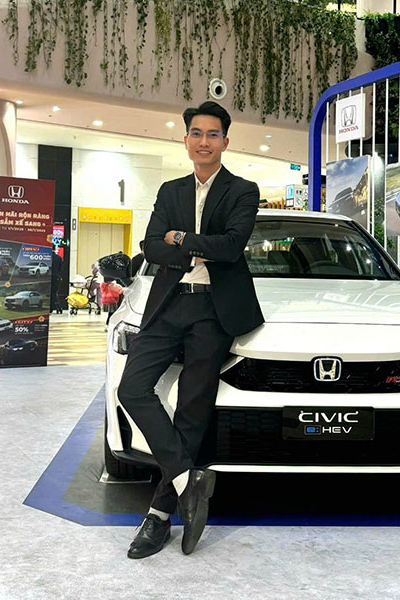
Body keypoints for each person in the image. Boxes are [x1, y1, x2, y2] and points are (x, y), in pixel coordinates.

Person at [117, 101, 263, 559]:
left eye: (212, 134)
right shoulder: (170, 190)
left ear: (225, 141)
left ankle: (158, 515)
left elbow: (231, 246)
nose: (204, 141)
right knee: (132, 388)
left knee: (192, 410)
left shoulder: (243, 190)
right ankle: (188, 480)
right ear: (185, 140)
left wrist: (180, 238)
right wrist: (195, 248)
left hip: (214, 311)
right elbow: (150, 247)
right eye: (196, 133)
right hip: (169, 302)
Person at [50, 247, 63, 313]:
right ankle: (55, 307)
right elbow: (61, 269)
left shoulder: (47, 257)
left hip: (48, 277)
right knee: (54, 292)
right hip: (56, 277)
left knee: (50, 292)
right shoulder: (59, 258)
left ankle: (52, 307)